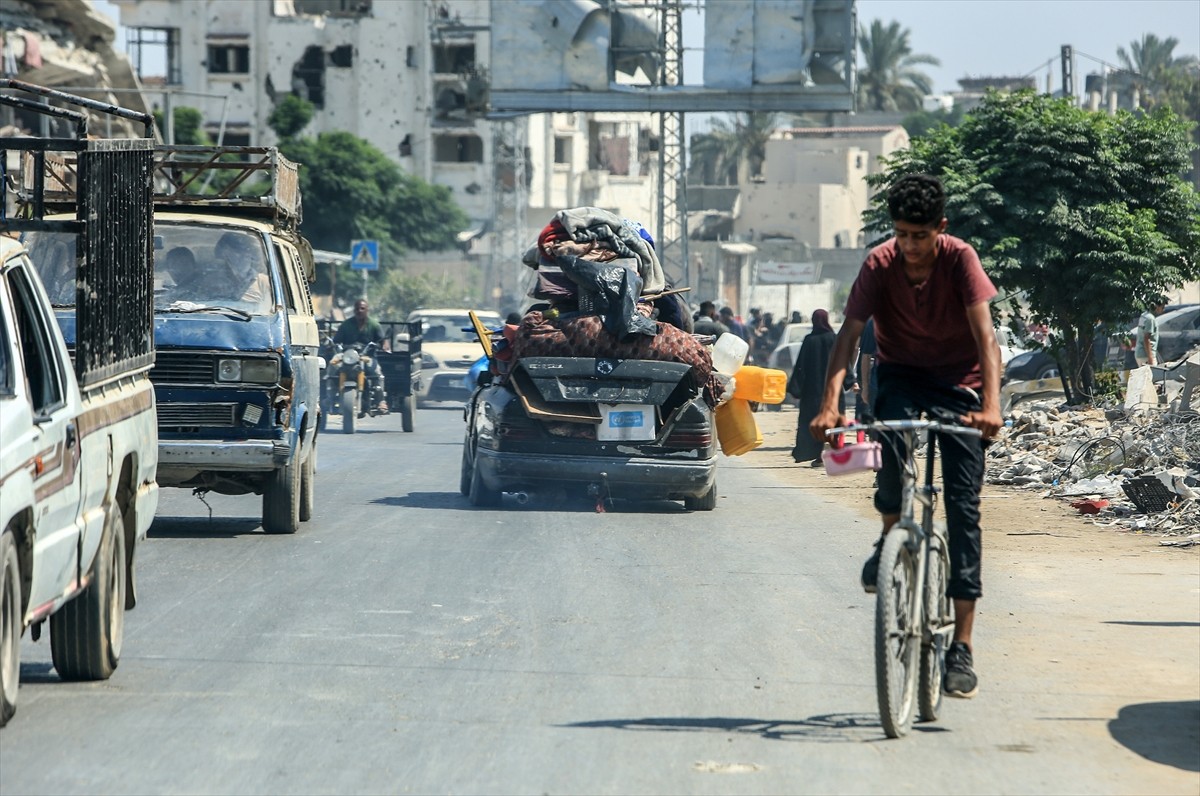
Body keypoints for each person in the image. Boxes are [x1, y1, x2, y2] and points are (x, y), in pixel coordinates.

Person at [809, 173, 1002, 700]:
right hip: (901, 377)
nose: (911, 247)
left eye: (920, 236)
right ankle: (890, 536)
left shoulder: (960, 259)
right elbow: (848, 337)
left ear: (939, 229)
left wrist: (991, 406)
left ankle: (961, 646)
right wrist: (831, 406)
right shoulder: (880, 263)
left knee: (964, 508)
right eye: (903, 235)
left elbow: (986, 338)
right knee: (889, 454)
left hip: (960, 382)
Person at [788, 309, 841, 464]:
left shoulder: (809, 340)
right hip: (832, 390)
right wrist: (850, 381)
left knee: (811, 422)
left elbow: (800, 366)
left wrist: (795, 388)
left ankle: (815, 454)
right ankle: (829, 455)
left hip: (812, 391)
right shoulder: (833, 338)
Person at [335, 299, 388, 411]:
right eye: (357, 308)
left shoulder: (374, 325)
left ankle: (380, 401)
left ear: (367, 310)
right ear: (354, 310)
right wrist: (334, 345)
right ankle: (329, 398)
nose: (359, 311)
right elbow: (336, 340)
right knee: (332, 370)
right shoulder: (346, 325)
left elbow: (382, 340)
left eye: (362, 308)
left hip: (367, 357)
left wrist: (384, 345)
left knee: (376, 372)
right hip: (348, 357)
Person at [213, 232, 271, 308]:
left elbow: (269, 313)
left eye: (248, 250)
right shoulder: (212, 280)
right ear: (224, 254)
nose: (245, 255)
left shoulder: (264, 282)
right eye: (237, 251)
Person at [1136, 295, 1167, 366]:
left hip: (1140, 353)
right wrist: (1150, 357)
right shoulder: (1150, 319)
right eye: (1162, 307)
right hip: (1146, 355)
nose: (1163, 309)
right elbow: (1146, 338)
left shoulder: (1144, 315)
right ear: (1156, 307)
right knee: (1152, 375)